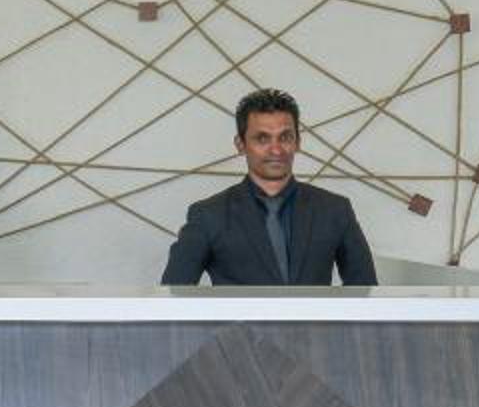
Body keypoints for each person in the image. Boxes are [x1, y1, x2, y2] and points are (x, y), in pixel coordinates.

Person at [160, 88, 375, 287]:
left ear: (298, 142)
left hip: (316, 320)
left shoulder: (335, 209)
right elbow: (172, 295)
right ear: (240, 144)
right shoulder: (208, 215)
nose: (276, 150)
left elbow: (366, 292)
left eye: (285, 137)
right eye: (262, 139)